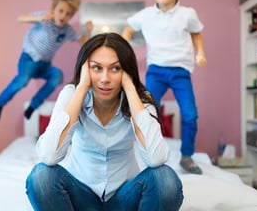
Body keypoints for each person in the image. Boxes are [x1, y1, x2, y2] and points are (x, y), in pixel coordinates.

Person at [25, 33, 183, 211]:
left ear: (126, 71)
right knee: (41, 176)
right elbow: (48, 156)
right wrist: (82, 87)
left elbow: (156, 159)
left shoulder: (140, 99)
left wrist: (131, 89)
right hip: (81, 199)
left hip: (125, 199)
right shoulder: (72, 94)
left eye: (115, 69)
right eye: (96, 68)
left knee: (165, 178)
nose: (105, 79)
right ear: (85, 69)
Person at [122, 0, 207, 174]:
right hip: (156, 72)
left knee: (190, 115)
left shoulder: (187, 14)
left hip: (180, 72)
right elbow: (128, 29)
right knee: (147, 112)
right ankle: (150, 153)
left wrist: (200, 52)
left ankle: (186, 156)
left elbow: (196, 33)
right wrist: (123, 46)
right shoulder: (145, 15)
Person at [0, 0, 93, 122]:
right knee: (22, 81)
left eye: (68, 14)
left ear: (71, 16)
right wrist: (39, 17)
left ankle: (32, 106)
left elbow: (82, 41)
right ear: (53, 9)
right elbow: (21, 18)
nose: (63, 16)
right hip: (29, 60)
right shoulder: (45, 18)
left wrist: (89, 31)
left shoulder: (67, 30)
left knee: (57, 76)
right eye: (61, 11)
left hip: (45, 65)